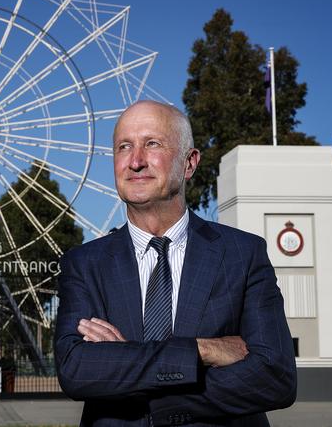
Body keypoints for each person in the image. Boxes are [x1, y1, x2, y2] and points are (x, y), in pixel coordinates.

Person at [53, 100, 296, 427]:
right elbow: (77, 370)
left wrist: (131, 368)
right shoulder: (84, 263)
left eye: (152, 144)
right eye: (124, 147)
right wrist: (202, 350)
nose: (136, 161)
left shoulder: (242, 254)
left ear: (190, 163)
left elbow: (275, 377)